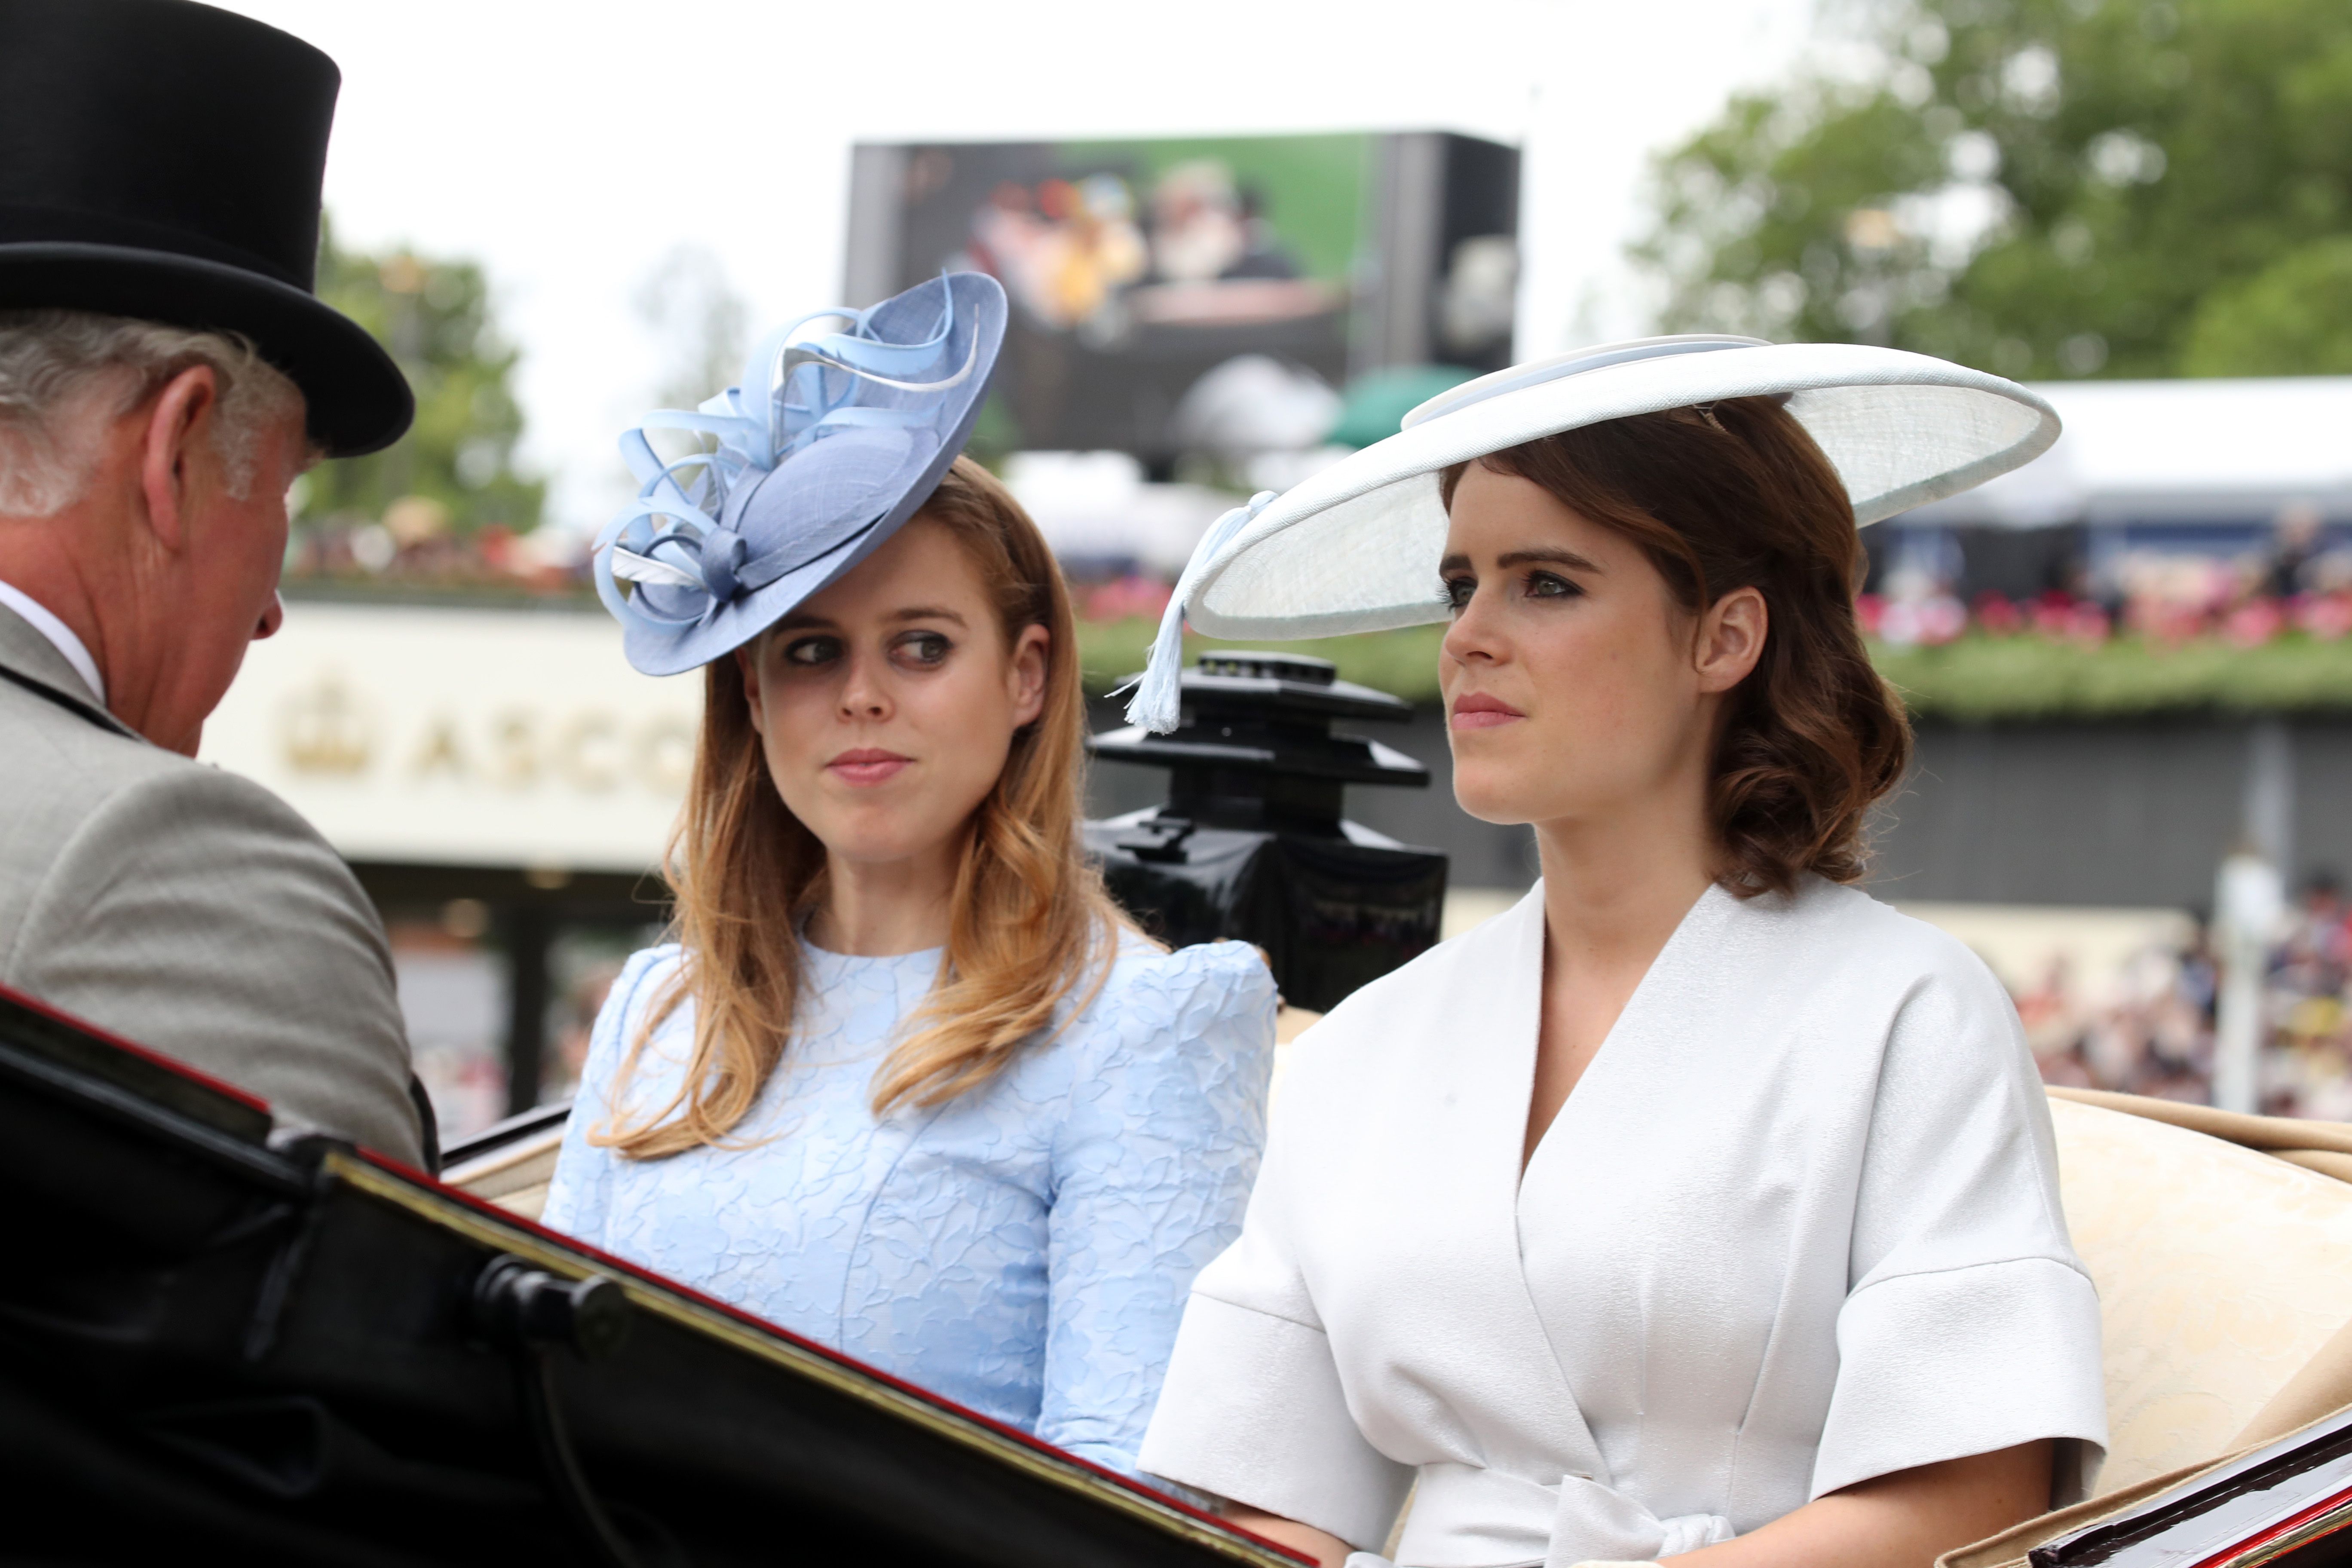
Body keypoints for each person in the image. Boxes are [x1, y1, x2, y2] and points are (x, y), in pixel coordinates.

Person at [1129, 337, 2109, 1568]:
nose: (1470, 637)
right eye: (1460, 586)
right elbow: (1259, 1498)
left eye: (1545, 583)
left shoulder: (1906, 1013)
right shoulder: (1364, 1046)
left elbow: (1977, 1493)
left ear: (1723, 637)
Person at [541, 273, 1276, 1482]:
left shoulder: (1147, 1025)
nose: (863, 695)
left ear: (1028, 675)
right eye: (811, 650)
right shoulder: (653, 1014)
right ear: (753, 697)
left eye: (922, 646)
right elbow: (536, 1403)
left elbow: (1123, 1502)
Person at [0, 0, 431, 1167]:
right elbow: (376, 1346)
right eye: (281, 489)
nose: (272, 608)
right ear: (177, 448)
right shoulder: (154, 857)